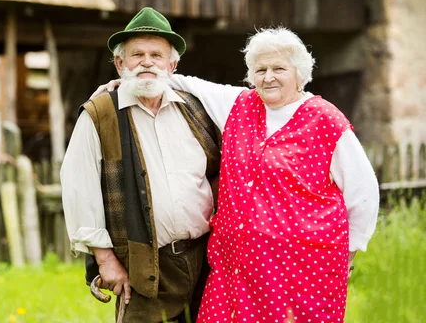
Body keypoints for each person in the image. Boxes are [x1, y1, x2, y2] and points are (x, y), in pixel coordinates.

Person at [95, 27, 379, 322]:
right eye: (261, 69)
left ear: (299, 73)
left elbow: (363, 190)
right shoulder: (239, 105)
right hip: (235, 272)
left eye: (278, 68)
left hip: (302, 271)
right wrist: (137, 79)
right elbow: (190, 83)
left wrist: (348, 254)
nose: (268, 77)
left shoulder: (325, 120)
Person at [61, 7, 223, 322]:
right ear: (120, 64)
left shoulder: (196, 109)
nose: (147, 62)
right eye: (137, 55)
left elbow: (222, 170)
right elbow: (79, 186)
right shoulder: (100, 114)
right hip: (145, 267)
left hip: (206, 259)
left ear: (172, 64)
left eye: (156, 55)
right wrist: (104, 260)